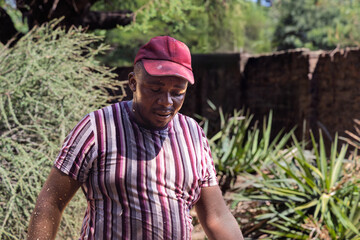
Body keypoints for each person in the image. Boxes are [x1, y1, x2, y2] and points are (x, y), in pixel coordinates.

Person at [27, 36, 244, 240]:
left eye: (177, 92)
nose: (166, 101)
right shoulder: (97, 128)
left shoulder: (192, 133)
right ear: (133, 82)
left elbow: (216, 217)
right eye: (155, 89)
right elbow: (50, 202)